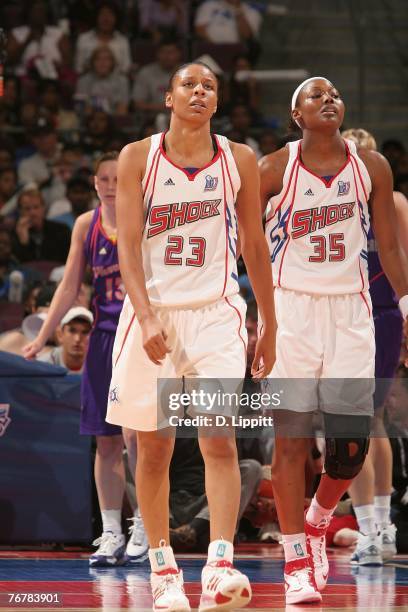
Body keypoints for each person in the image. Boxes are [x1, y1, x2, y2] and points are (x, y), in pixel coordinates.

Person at [105, 61, 276, 611]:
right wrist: (148, 315)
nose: (200, 91)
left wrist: (267, 320)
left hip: (217, 313)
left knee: (218, 440)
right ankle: (162, 570)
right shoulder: (139, 157)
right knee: (153, 449)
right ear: (168, 97)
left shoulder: (238, 159)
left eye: (209, 86)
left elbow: (254, 244)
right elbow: (127, 246)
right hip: (153, 312)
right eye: (189, 84)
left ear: (216, 102)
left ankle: (219, 564)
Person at [259, 77, 408, 605]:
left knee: (349, 450)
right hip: (291, 310)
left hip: (351, 310)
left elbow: (388, 248)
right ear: (295, 114)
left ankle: (319, 520)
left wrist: (407, 308)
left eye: (335, 94)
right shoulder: (273, 168)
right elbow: (248, 247)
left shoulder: (372, 167)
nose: (329, 99)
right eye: (315, 95)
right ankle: (297, 559)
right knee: (292, 442)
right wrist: (259, 317)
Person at [23, 152, 147, 567]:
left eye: (119, 178)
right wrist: (42, 335)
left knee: (137, 437)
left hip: (138, 336)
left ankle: (145, 524)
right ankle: (111, 530)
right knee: (106, 440)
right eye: (105, 178)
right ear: (95, 184)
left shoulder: (145, 218)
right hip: (102, 339)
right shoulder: (85, 225)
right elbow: (69, 286)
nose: (112, 184)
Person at [340, 129, 408, 564]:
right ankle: (380, 527)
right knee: (367, 420)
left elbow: (404, 261)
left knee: (358, 420)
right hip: (348, 312)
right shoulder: (333, 197)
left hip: (378, 312)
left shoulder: (394, 202)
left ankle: (372, 525)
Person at [38, 306, 93, 373]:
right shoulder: (43, 365)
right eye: (72, 331)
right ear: (60, 335)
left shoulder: (101, 367)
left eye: (85, 332)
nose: (77, 339)